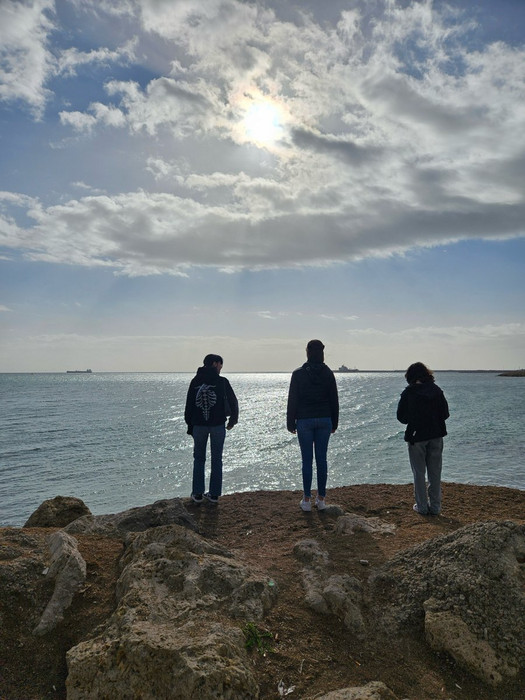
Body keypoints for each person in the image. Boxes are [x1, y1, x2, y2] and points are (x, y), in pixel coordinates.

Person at [287, 339, 339, 512]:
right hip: (325, 419)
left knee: (307, 460)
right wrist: (335, 422)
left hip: (304, 420)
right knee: (322, 459)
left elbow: (293, 400)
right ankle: (322, 499)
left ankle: (307, 500)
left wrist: (290, 422)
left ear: (308, 352)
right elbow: (334, 400)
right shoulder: (328, 373)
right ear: (322, 352)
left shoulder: (298, 374)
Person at [396, 362, 450, 515]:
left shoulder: (409, 393)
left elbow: (402, 418)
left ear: (410, 377)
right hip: (436, 435)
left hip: (416, 437)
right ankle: (436, 507)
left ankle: (421, 507)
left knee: (419, 473)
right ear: (427, 374)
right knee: (435, 472)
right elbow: (445, 414)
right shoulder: (436, 391)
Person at [184, 354, 238, 504]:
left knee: (199, 459)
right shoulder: (222, 382)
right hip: (218, 426)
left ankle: (197, 493)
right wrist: (232, 421)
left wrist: (190, 426)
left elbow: (189, 406)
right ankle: (214, 495)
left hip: (199, 426)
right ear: (215, 364)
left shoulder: (195, 381)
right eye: (220, 365)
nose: (221, 368)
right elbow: (234, 403)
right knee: (216, 459)